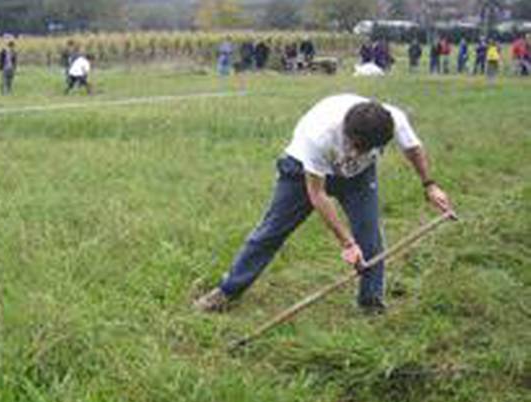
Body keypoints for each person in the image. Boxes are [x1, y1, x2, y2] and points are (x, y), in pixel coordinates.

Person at [193, 94, 455, 314]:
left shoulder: (392, 120)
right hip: (302, 172)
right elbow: (318, 194)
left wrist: (429, 184)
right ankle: (227, 292)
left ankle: (370, 303)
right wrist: (346, 242)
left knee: (370, 235)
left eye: (366, 150)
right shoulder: (319, 135)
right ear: (347, 131)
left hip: (358, 178)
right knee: (271, 231)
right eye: (355, 146)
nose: (355, 153)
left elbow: (413, 148)